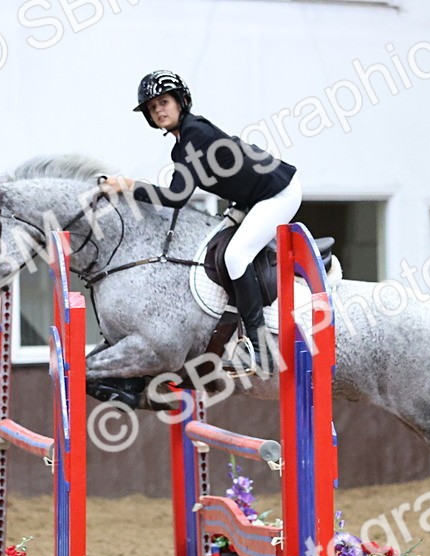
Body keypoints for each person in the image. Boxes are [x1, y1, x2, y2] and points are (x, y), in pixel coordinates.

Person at [101, 70, 301, 378]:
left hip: (278, 194)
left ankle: (261, 350)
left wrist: (128, 185)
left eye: (164, 102)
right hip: (252, 199)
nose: (159, 111)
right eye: (152, 108)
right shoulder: (181, 146)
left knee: (235, 256)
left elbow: (177, 196)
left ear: (181, 102)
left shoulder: (195, 133)